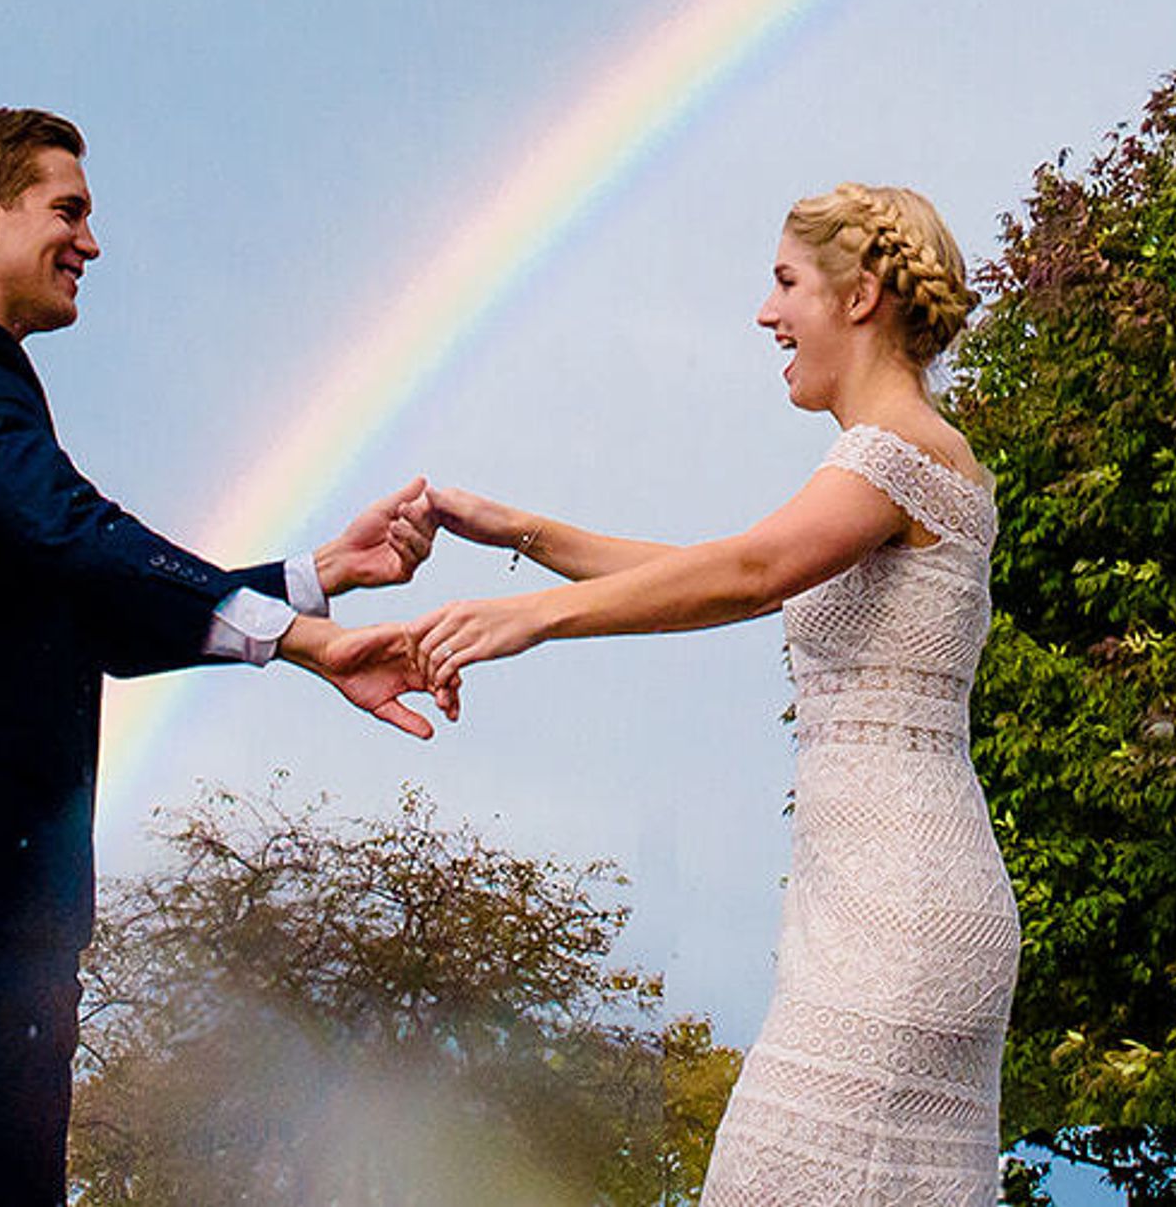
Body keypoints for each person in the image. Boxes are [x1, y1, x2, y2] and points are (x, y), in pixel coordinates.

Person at [0, 99, 444, 1207]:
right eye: (68, 210)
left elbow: (91, 604)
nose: (91, 241)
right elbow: (77, 533)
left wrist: (321, 573)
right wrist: (306, 640)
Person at [404, 182, 1020, 1207]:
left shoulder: (896, 450)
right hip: (880, 899)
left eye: (786, 283)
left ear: (859, 296)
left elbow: (750, 571)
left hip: (897, 913)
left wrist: (531, 618)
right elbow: (712, 566)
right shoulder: (897, 460)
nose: (766, 313)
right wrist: (518, 531)